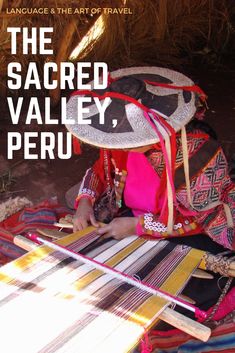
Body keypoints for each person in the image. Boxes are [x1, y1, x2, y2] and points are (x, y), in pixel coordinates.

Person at [66, 66, 234, 253]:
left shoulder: (194, 154)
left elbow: (203, 219)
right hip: (129, 217)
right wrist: (85, 202)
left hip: (182, 231)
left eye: (130, 140)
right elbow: (100, 169)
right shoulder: (120, 140)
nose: (121, 145)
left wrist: (138, 226)